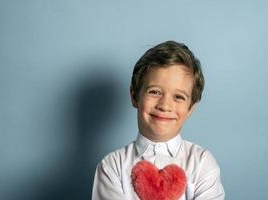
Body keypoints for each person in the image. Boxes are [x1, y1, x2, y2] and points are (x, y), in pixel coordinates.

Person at [91, 41, 225, 200]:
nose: (165, 105)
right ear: (134, 96)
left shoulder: (202, 163)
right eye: (154, 92)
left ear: (190, 108)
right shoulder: (112, 167)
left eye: (178, 97)